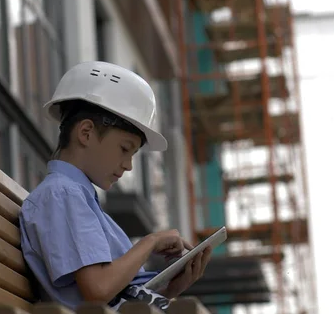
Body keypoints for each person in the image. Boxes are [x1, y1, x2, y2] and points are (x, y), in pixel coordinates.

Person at [18, 61, 212, 312]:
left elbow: (114, 294)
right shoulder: (63, 194)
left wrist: (170, 288)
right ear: (86, 133)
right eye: (124, 149)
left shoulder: (78, 199)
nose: (129, 165)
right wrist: (150, 243)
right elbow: (97, 290)